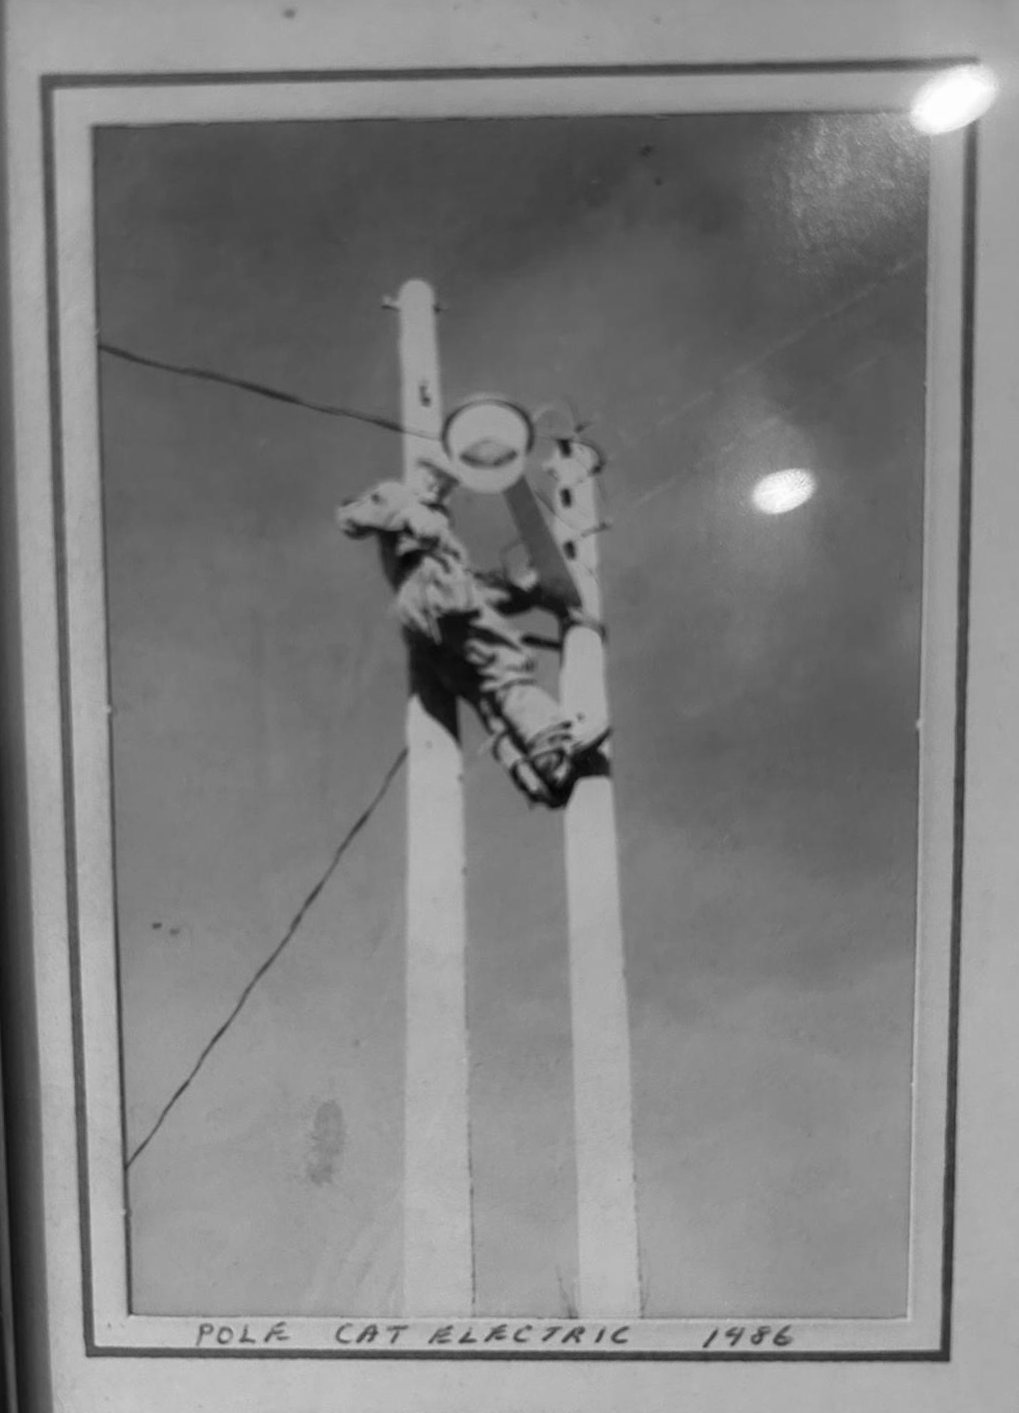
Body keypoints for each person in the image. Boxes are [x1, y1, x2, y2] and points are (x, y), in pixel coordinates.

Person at [335, 457, 608, 804]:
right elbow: (350, 518)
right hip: (436, 604)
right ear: (418, 475)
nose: (439, 488)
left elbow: (476, 590)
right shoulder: (399, 499)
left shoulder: (435, 534)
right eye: (434, 479)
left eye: (447, 485)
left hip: (433, 627)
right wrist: (406, 510)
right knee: (505, 664)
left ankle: (541, 772)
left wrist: (527, 592)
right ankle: (550, 743)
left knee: (488, 699)